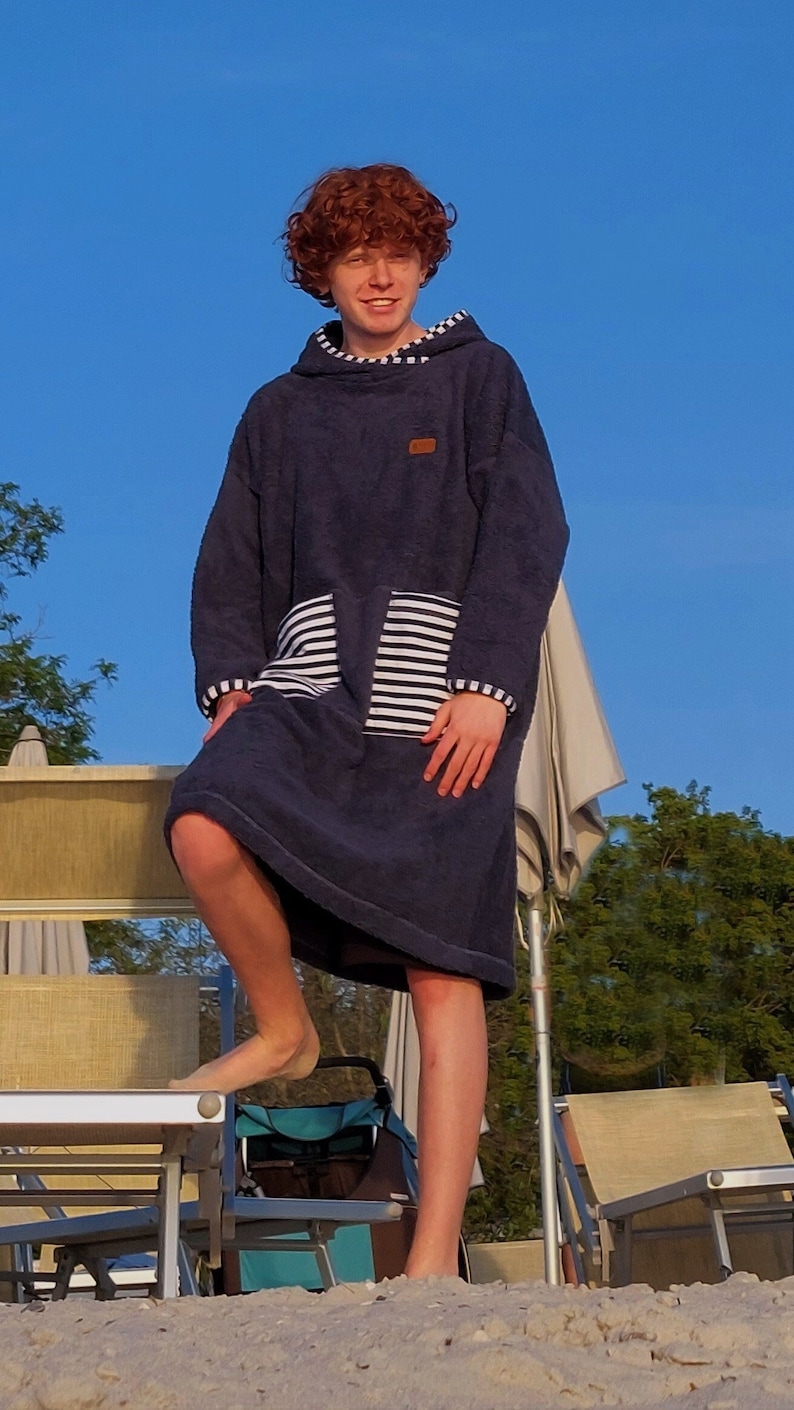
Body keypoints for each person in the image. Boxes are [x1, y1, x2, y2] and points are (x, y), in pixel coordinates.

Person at [164, 163, 569, 1278]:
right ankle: (284, 1026)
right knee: (201, 819)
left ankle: (432, 1257)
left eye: (397, 251)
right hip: (304, 688)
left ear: (425, 259)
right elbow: (228, 558)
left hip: (442, 708)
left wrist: (487, 688)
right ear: (321, 271)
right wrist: (229, 680)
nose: (379, 272)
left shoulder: (478, 378)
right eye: (355, 255)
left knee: (443, 970)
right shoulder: (278, 409)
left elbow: (526, 537)